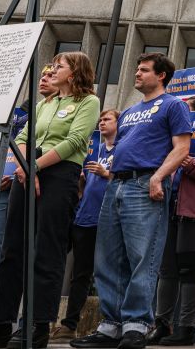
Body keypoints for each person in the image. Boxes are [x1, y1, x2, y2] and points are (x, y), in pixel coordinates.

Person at [71, 53, 192, 349]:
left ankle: (136, 325)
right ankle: (111, 326)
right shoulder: (128, 111)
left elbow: (182, 147)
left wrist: (157, 177)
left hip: (145, 184)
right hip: (117, 184)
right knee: (108, 258)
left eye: (144, 70)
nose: (137, 74)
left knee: (142, 257)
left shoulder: (174, 105)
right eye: (137, 69)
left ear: (161, 75)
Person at [0, 52, 100, 349]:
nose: (53, 70)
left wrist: (36, 167)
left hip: (60, 174)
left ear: (75, 72)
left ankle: (37, 324)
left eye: (59, 66)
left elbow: (76, 141)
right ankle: (2, 320)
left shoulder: (87, 102)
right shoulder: (44, 104)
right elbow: (22, 137)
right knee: (12, 248)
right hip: (26, 172)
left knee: (47, 250)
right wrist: (28, 168)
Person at [151, 96, 195, 346]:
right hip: (170, 208)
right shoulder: (173, 136)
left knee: (191, 269)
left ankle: (188, 327)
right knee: (166, 269)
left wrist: (191, 166)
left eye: (187, 108)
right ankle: (162, 324)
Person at [51, 110, 119, 341]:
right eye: (100, 120)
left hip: (105, 220)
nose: (101, 123)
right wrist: (81, 182)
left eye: (107, 119)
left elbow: (125, 179)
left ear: (119, 124)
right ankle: (66, 324)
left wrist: (106, 173)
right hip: (83, 217)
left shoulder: (122, 150)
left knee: (100, 273)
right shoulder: (95, 149)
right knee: (76, 273)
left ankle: (109, 325)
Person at [0, 66, 56, 264]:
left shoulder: (54, 114)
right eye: (42, 75)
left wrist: (16, 175)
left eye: (51, 75)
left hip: (25, 186)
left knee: (7, 245)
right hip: (2, 184)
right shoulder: (23, 110)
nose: (44, 79)